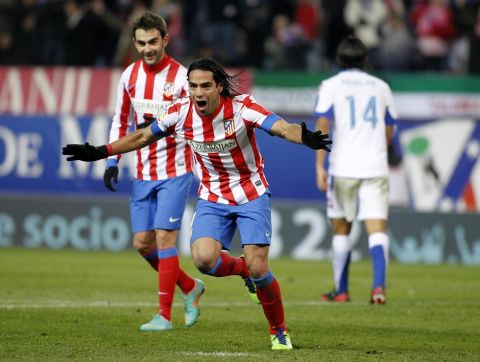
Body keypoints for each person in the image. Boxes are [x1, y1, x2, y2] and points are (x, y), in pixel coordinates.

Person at [62, 57, 331, 350]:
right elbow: (142, 136)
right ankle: (243, 271)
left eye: (205, 86)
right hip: (212, 197)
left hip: (250, 193)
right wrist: (102, 151)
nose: (198, 93)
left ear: (219, 87)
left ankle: (278, 331)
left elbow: (279, 127)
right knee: (204, 260)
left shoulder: (242, 107)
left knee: (259, 267)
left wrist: (303, 137)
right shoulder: (180, 112)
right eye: (193, 87)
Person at [103, 11, 204, 333]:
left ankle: (164, 314)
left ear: (165, 40)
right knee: (142, 243)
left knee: (163, 238)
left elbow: (194, 122)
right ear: (134, 42)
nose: (147, 49)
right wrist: (111, 160)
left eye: (153, 42)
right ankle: (189, 286)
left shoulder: (181, 78)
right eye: (141, 43)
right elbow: (121, 120)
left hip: (175, 169)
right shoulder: (130, 76)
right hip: (143, 171)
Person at [313, 35, 397, 304]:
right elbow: (389, 127)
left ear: (338, 60)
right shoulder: (382, 86)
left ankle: (341, 290)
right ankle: (378, 287)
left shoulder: (330, 85)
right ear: (365, 59)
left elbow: (322, 126)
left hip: (344, 166)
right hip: (375, 166)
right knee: (377, 227)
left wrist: (319, 165)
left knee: (341, 229)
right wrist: (378, 150)